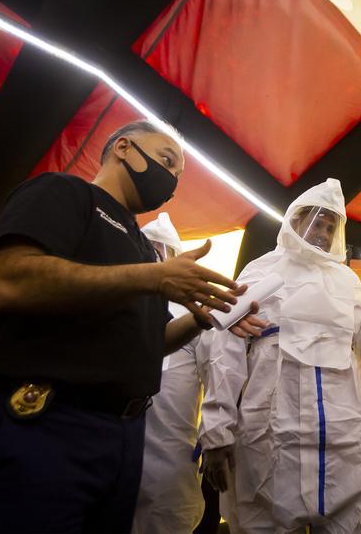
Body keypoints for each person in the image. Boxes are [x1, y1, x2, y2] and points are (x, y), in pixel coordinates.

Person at [0, 121, 265, 533]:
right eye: (167, 161)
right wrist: (154, 278)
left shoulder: (145, 250)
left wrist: (200, 320)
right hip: (42, 424)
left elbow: (151, 344)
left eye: (178, 176)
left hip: (120, 438)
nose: (171, 181)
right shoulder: (63, 193)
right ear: (124, 148)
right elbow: (11, 282)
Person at [200, 178, 361, 534]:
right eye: (315, 222)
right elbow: (224, 355)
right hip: (270, 436)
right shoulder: (260, 272)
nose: (321, 232)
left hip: (339, 440)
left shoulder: (348, 284)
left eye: (328, 226)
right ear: (293, 220)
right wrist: (216, 432)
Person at [134, 213, 207, 534]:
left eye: (161, 250)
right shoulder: (119, 306)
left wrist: (213, 436)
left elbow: (219, 381)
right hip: (116, 443)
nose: (155, 257)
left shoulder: (195, 315)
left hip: (172, 449)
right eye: (147, 249)